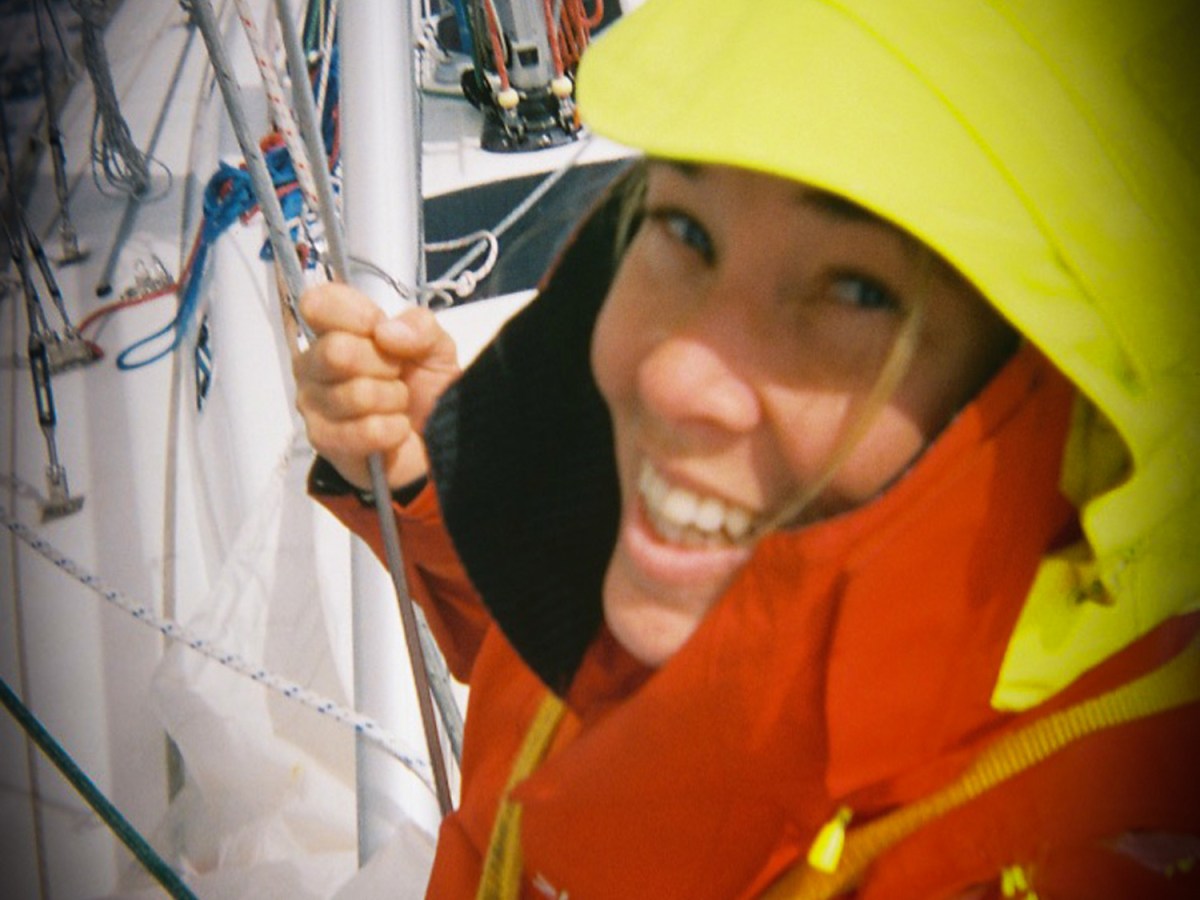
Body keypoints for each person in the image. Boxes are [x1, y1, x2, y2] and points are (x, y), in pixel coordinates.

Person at [294, 0, 1200, 896]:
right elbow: (573, 675)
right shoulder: (664, 558)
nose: (674, 379)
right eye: (686, 230)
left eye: (857, 292)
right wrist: (433, 481)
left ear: (1055, 412)